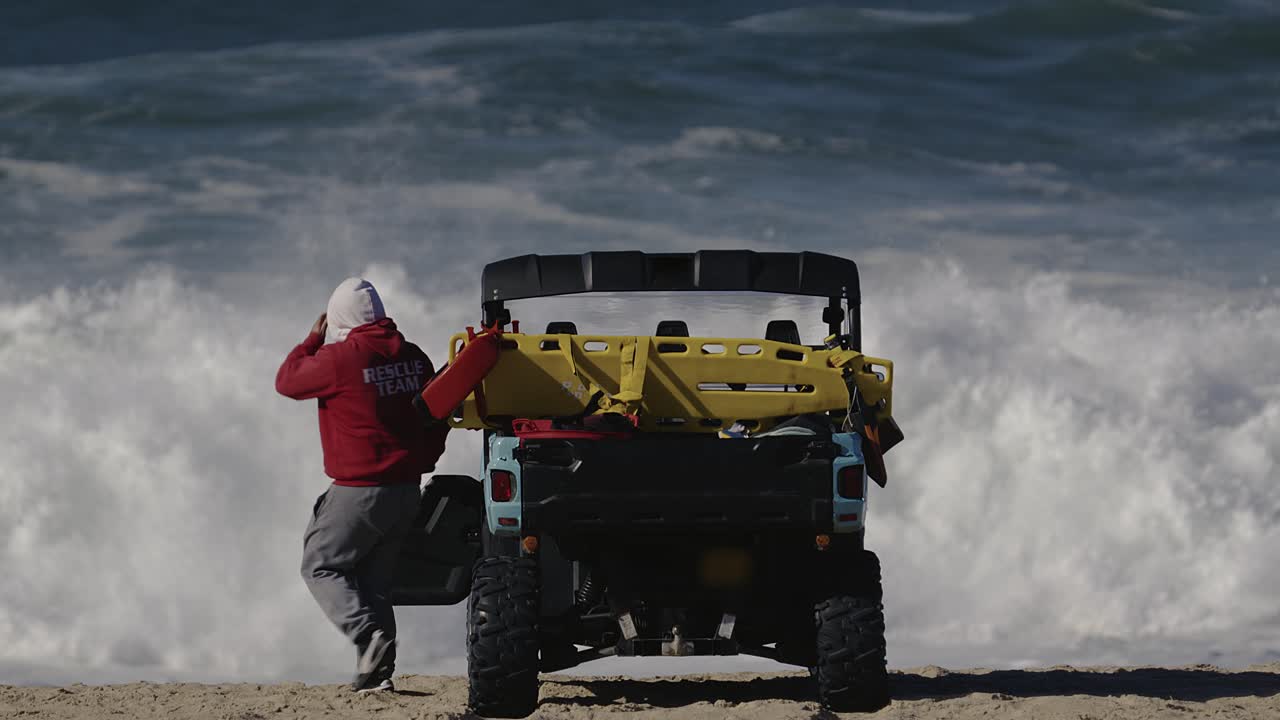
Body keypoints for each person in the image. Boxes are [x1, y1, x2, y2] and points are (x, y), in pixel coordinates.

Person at [275, 277, 448, 693]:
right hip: (407, 489)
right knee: (375, 583)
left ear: (338, 320)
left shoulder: (340, 359)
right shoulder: (415, 357)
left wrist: (311, 341)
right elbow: (438, 415)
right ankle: (378, 675)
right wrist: (425, 461)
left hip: (361, 489)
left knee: (320, 564)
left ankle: (367, 637)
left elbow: (288, 380)